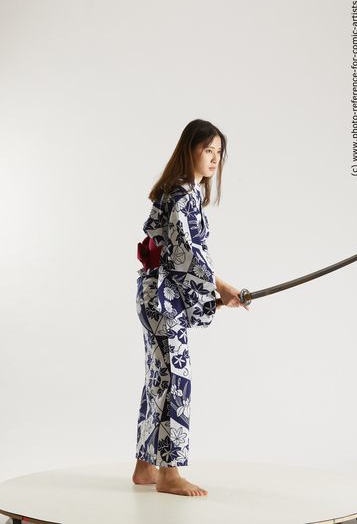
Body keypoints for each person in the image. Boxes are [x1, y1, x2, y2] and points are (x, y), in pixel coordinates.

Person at [132, 119, 249, 496]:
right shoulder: (183, 194)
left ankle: (146, 466)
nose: (215, 158)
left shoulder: (182, 191)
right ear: (190, 150)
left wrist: (209, 296)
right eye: (208, 150)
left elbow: (180, 256)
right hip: (163, 297)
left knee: (160, 376)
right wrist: (222, 289)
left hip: (157, 294)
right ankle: (170, 474)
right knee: (175, 380)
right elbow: (188, 257)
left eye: (219, 152)